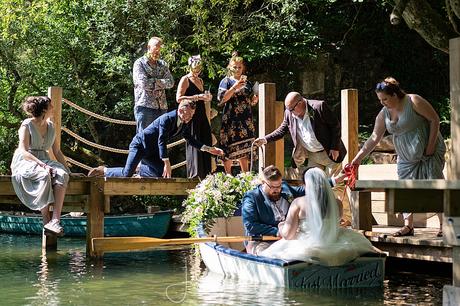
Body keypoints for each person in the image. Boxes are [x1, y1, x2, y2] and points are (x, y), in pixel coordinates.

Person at [351, 77, 446, 237]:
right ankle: (408, 226)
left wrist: (429, 148)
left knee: (433, 185)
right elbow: (374, 137)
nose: (382, 102)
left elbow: (434, 120)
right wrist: (358, 158)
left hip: (427, 151)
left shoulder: (413, 100)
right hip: (406, 156)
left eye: (385, 99)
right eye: (380, 100)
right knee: (403, 187)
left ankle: (444, 224)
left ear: (395, 95)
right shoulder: (384, 113)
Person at [260, 168, 377, 266]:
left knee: (269, 254)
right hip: (334, 243)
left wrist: (281, 226)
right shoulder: (337, 203)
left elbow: (288, 235)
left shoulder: (298, 203)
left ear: (306, 185)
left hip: (307, 246)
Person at [88, 100, 224, 178]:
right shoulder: (167, 119)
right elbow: (161, 140)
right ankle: (104, 170)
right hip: (140, 146)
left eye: (192, 114)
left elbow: (191, 140)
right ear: (181, 111)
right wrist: (167, 162)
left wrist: (209, 149)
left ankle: (139, 170)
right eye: (189, 113)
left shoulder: (184, 123)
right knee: (126, 174)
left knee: (159, 173)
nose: (190, 117)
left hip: (151, 151)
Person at [11, 96, 71, 235]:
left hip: (44, 158)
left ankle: (55, 220)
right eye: (51, 106)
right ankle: (46, 220)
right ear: (44, 109)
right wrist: (43, 165)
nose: (53, 108)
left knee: (62, 174)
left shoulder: (51, 126)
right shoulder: (27, 124)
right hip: (27, 160)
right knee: (44, 175)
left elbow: (56, 151)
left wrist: (68, 170)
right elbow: (23, 151)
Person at [254, 91, 347, 178]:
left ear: (300, 103)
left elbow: (335, 126)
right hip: (312, 155)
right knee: (314, 184)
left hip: (329, 153)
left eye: (291, 109)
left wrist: (335, 147)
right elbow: (281, 130)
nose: (289, 112)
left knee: (335, 185)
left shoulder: (319, 107)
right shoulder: (289, 113)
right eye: (288, 109)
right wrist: (264, 139)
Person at [241, 165, 305, 255]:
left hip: (287, 239)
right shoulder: (252, 197)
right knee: (270, 255)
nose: (277, 190)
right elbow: (250, 225)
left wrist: (331, 181)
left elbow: (304, 190)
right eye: (272, 187)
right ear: (263, 182)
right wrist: (277, 232)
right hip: (261, 241)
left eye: (279, 186)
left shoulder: (285, 188)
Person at [217, 51, 258, 174]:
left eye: (240, 67)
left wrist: (254, 100)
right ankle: (228, 176)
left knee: (244, 148)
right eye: (235, 67)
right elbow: (221, 99)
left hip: (245, 118)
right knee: (228, 147)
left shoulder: (247, 83)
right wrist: (235, 87)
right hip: (231, 118)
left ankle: (246, 176)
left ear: (243, 68)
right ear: (230, 67)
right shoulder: (226, 81)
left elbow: (250, 101)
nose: (237, 69)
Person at [176, 55, 213, 179]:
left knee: (206, 139)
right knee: (194, 142)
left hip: (202, 114)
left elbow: (203, 98)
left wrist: (207, 98)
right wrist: (197, 97)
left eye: (199, 68)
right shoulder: (185, 79)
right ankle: (195, 174)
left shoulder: (201, 81)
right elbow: (178, 98)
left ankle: (207, 174)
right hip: (191, 115)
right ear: (190, 66)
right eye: (195, 68)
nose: (197, 70)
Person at [133, 37, 174, 133]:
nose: (158, 52)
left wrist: (155, 82)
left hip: (162, 107)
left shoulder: (163, 64)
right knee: (144, 140)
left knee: (160, 139)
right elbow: (144, 83)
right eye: (156, 49)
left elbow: (171, 82)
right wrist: (161, 82)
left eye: (160, 50)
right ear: (148, 47)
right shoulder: (139, 64)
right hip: (145, 107)